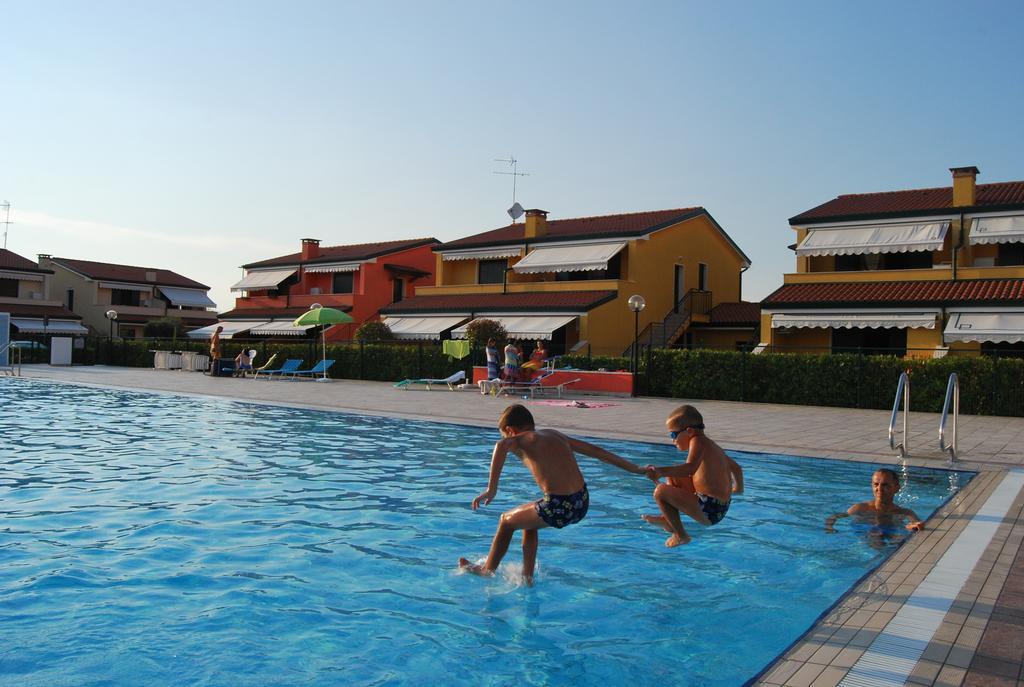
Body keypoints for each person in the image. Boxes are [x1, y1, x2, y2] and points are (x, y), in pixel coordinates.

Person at [459, 404, 652, 584]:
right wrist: (636, 469)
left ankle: (487, 570)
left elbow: (500, 446)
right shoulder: (555, 434)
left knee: (505, 521)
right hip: (581, 502)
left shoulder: (520, 440)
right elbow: (595, 451)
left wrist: (491, 489)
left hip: (559, 506)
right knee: (528, 519)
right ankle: (527, 576)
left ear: (510, 431)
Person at [642, 404, 744, 547]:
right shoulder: (712, 446)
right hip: (718, 506)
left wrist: (660, 471)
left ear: (689, 431)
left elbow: (690, 468)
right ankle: (667, 520)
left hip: (710, 509)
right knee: (674, 475)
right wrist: (738, 489)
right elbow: (737, 469)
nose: (673, 440)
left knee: (660, 492)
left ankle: (681, 535)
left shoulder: (698, 441)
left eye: (673, 435)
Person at [825, 468, 924, 534]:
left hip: (891, 534)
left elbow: (917, 523)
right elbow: (835, 516)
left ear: (896, 488)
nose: (879, 489)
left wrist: (912, 526)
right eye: (876, 484)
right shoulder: (861, 508)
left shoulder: (905, 513)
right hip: (865, 535)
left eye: (885, 485)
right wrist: (830, 528)